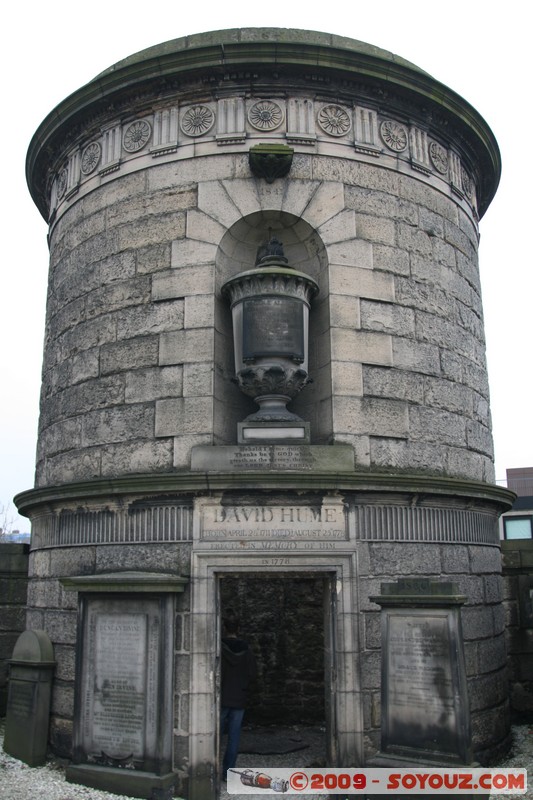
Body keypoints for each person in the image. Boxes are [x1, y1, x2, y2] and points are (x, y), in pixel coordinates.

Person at [220, 614, 256, 781]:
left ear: (225, 628)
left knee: (215, 736)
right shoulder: (246, 650)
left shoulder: (219, 648)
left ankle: (211, 770)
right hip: (239, 697)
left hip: (222, 697)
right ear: (238, 629)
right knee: (234, 737)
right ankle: (228, 772)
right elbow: (252, 673)